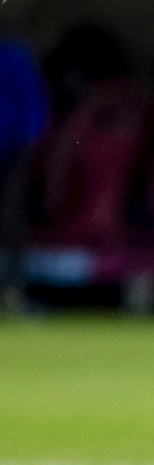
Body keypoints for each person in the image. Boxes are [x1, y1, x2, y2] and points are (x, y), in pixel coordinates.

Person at [0, 33, 45, 315]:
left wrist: (28, 143)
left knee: (12, 224)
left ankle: (12, 292)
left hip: (12, 155)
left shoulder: (13, 56)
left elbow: (35, 107)